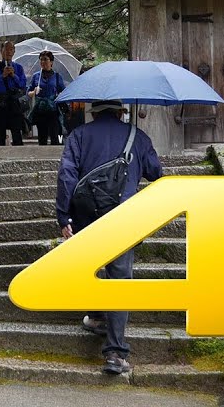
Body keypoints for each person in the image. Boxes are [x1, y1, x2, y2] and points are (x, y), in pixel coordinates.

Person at [55, 99, 163, 376]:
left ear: (95, 113)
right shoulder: (136, 136)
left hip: (87, 215)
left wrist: (63, 216)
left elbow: (67, 175)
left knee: (88, 267)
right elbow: (155, 173)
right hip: (124, 218)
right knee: (120, 280)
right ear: (120, 112)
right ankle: (116, 353)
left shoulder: (79, 135)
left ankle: (97, 316)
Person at [0, 40, 27, 145]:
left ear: (14, 52)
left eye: (11, 49)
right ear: (1, 51)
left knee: (17, 132)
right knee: (0, 134)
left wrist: (14, 76)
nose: (8, 51)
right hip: (0, 103)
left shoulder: (18, 68)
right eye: (6, 49)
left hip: (14, 103)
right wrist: (2, 75)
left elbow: (23, 84)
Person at [28, 51, 66, 145]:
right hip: (41, 111)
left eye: (45, 59)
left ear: (51, 62)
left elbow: (64, 92)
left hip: (53, 111)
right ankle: (41, 157)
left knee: (56, 136)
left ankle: (57, 154)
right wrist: (34, 92)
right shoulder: (36, 76)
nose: (43, 62)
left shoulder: (57, 77)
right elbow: (28, 92)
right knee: (42, 138)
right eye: (41, 60)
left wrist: (58, 95)